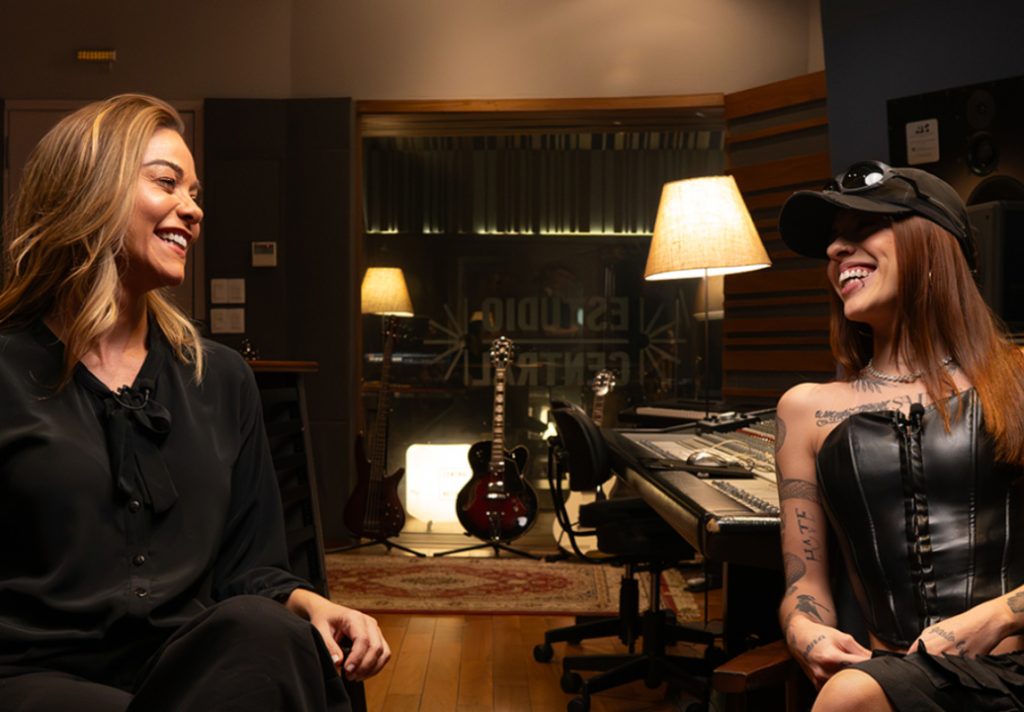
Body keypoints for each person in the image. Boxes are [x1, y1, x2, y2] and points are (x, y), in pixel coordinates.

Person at [0, 94, 389, 711]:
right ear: (89, 191)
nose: (194, 208)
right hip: (35, 679)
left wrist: (312, 603)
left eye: (195, 192)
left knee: (275, 634)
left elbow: (251, 569)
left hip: (189, 672)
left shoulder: (222, 379)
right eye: (167, 182)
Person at [774, 160, 1024, 711]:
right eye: (833, 240)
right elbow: (804, 583)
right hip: (889, 679)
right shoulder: (803, 410)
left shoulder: (1018, 379)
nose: (836, 249)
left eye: (865, 227)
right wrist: (803, 629)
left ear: (933, 247)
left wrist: (998, 616)